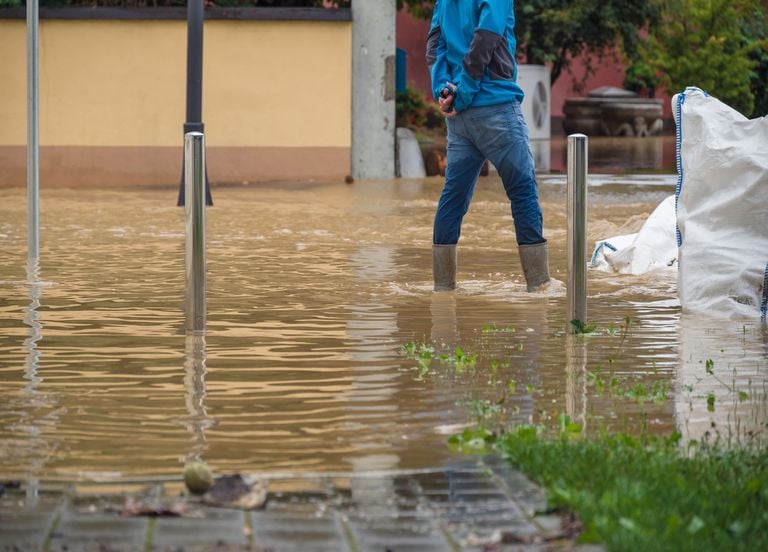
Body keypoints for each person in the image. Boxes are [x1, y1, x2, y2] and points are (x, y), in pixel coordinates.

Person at [426, 0, 550, 292]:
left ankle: (443, 289)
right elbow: (488, 37)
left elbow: (435, 45)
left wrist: (443, 90)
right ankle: (540, 285)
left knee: (453, 198)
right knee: (523, 192)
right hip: (495, 108)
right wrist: (464, 93)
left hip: (459, 118)